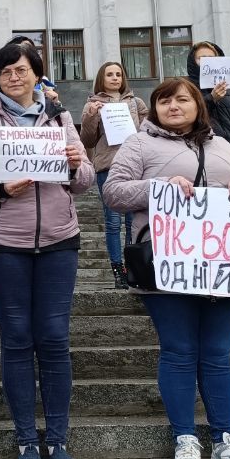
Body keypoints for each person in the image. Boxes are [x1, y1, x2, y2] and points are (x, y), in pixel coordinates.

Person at [0, 40, 95, 459]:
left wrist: (73, 165)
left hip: (58, 240)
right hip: (2, 241)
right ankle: (27, 442)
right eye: (6, 71)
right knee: (16, 338)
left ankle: (59, 442)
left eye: (22, 70)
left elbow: (86, 179)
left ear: (37, 74)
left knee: (54, 338)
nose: (14, 77)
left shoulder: (60, 116)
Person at [103, 77, 230, 459]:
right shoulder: (139, 144)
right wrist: (158, 187)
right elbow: (113, 192)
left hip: (225, 263)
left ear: (198, 105)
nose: (172, 106)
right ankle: (185, 439)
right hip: (165, 261)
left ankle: (225, 440)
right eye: (163, 101)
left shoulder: (223, 145)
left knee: (217, 353)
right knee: (178, 350)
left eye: (181, 99)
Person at [79, 61, 150, 289]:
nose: (115, 78)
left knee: (133, 221)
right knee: (112, 222)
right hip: (107, 167)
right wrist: (91, 117)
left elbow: (149, 133)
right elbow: (87, 140)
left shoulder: (136, 102)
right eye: (110, 74)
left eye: (119, 74)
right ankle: (117, 269)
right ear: (102, 78)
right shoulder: (91, 104)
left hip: (135, 167)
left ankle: (133, 266)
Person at [186, 42, 230, 164]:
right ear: (193, 62)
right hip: (206, 156)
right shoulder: (187, 89)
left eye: (212, 59)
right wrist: (211, 99)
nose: (207, 62)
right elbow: (189, 115)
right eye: (201, 59)